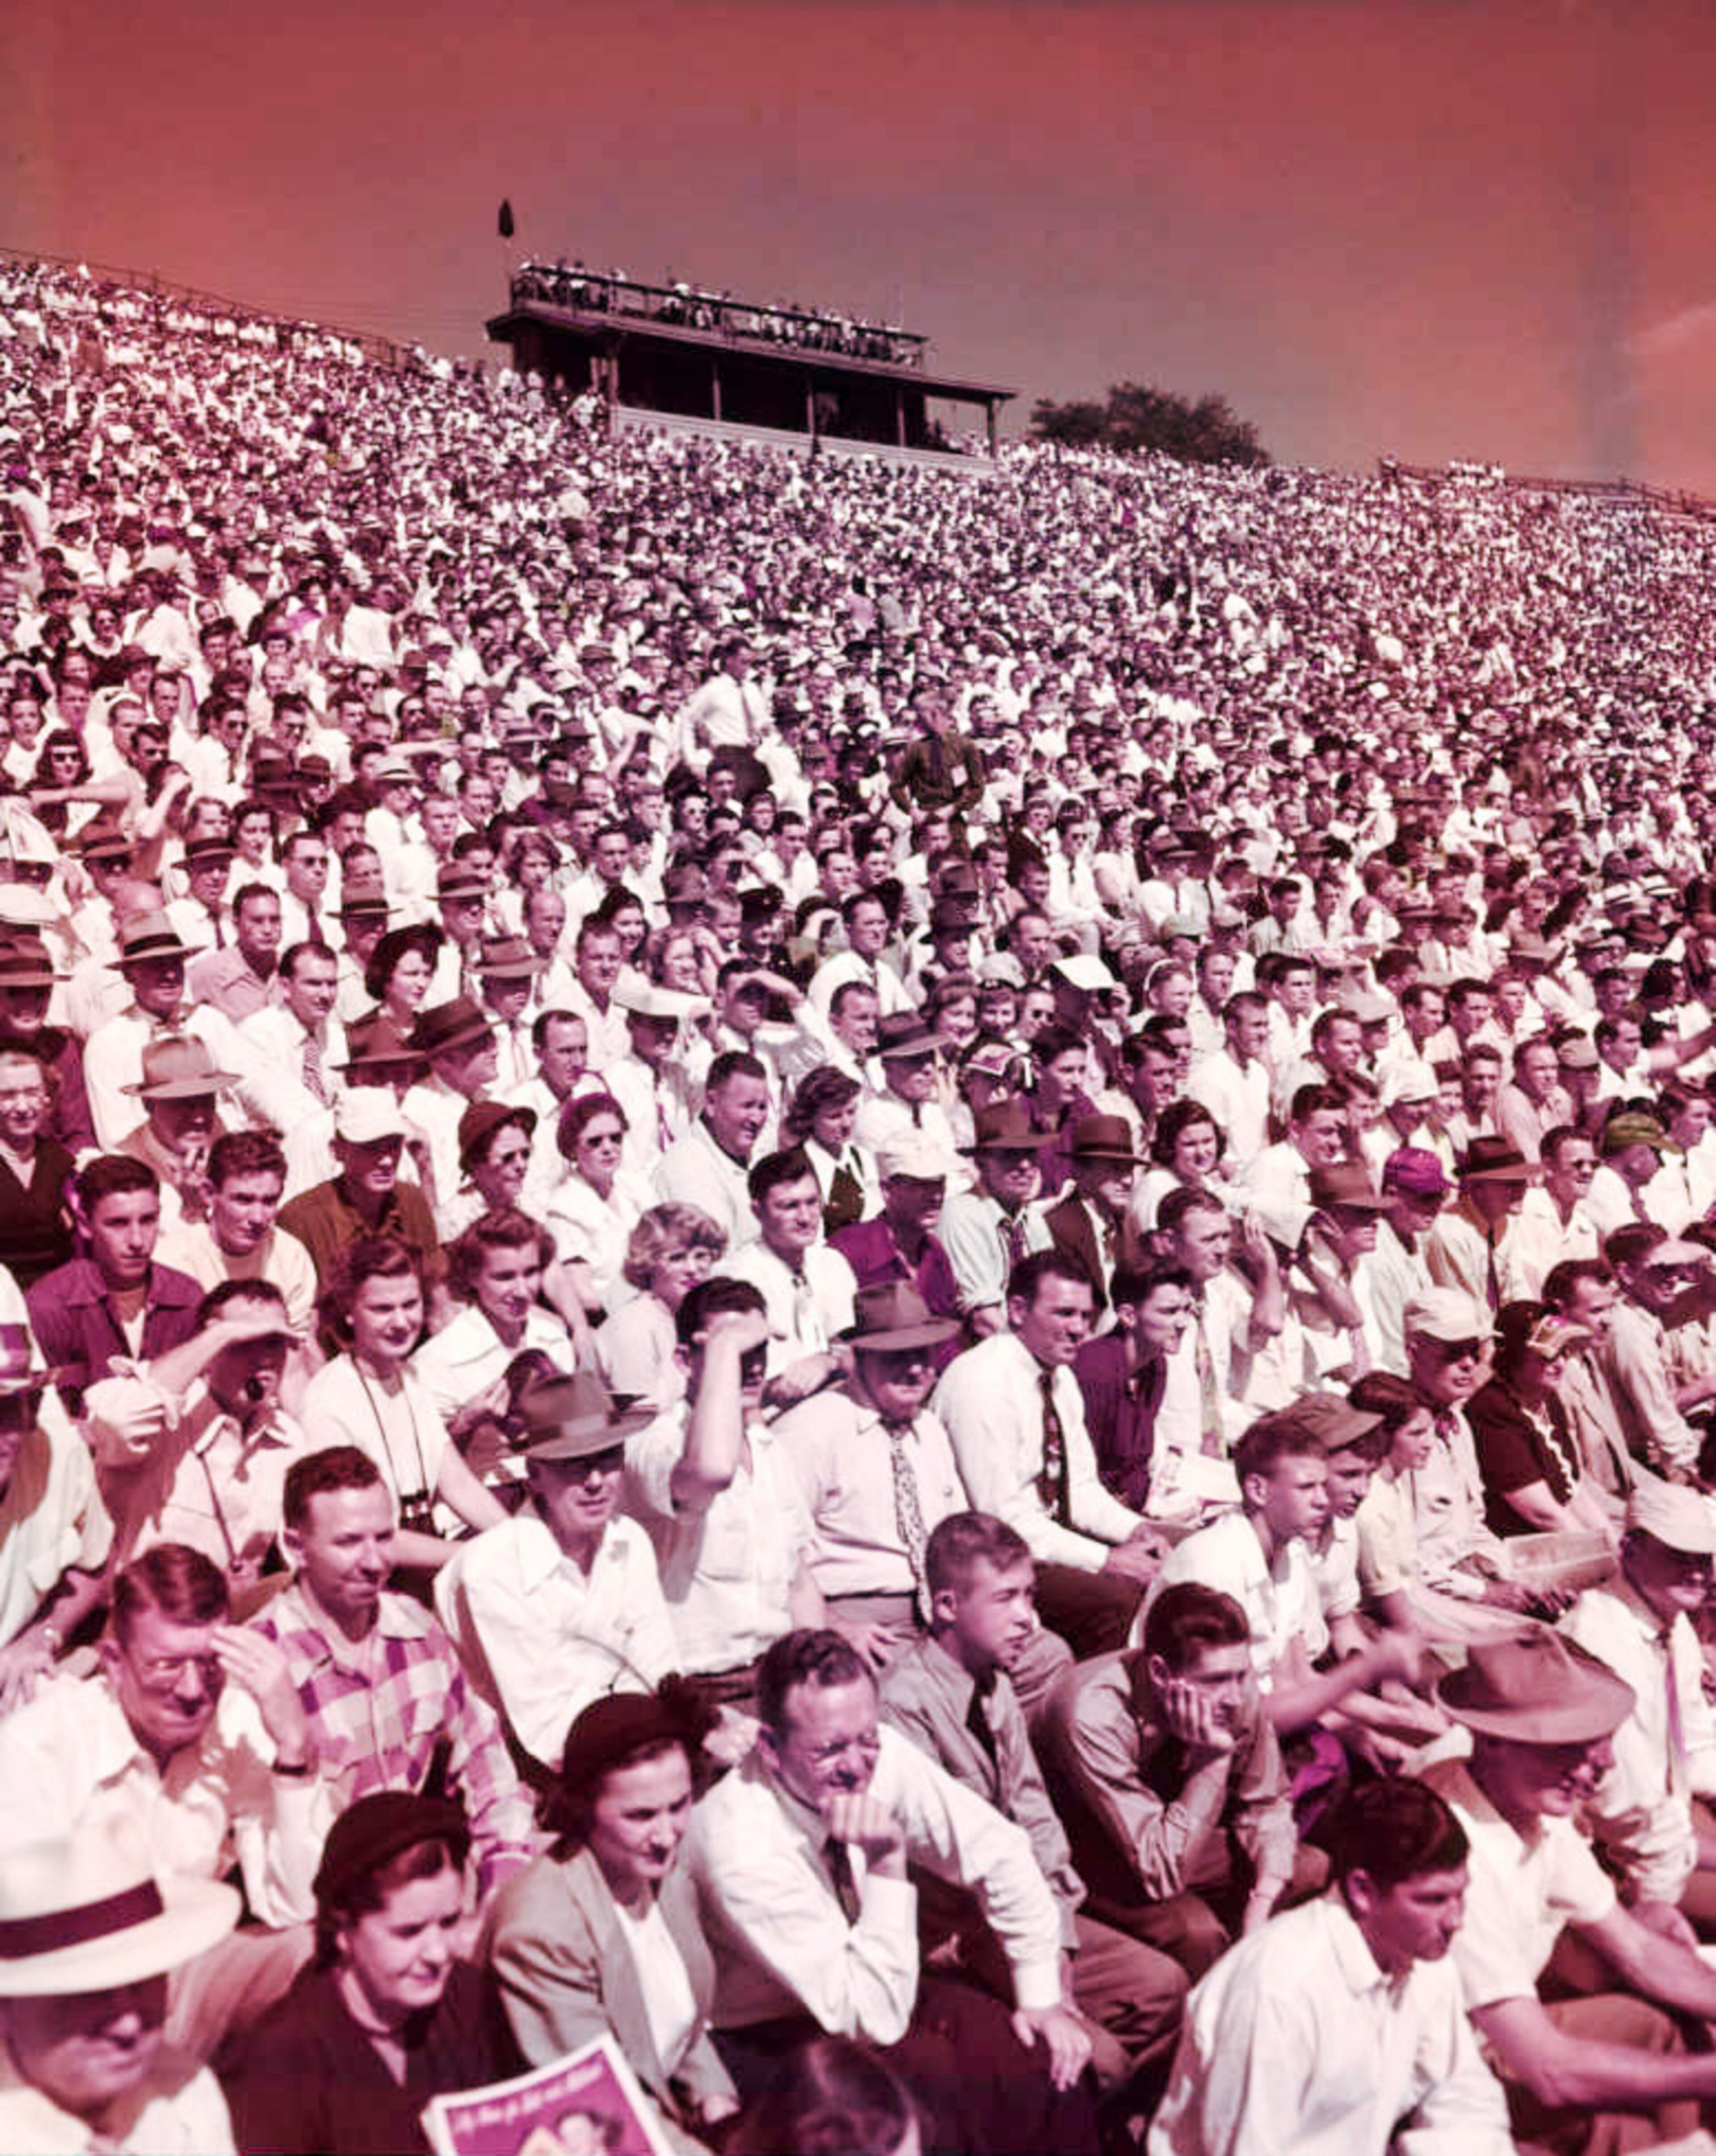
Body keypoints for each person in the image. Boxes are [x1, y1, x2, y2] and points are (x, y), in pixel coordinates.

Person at [689, 1627, 1102, 2156]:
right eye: (830, 1748)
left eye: (868, 1738)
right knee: (935, 2089)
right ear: (769, 1747)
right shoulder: (738, 1841)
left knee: (1043, 2059)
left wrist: (1041, 1997)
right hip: (769, 2026)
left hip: (876, 1979)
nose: (858, 1764)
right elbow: (871, 2017)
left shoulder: (874, 1757)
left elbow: (1000, 1850)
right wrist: (887, 1859)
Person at [879, 1514, 1193, 2104]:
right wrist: (1046, 1969)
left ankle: (1088, 2122)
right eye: (1005, 1598)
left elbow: (1036, 1817)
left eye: (1029, 1594)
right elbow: (961, 1866)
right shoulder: (901, 1708)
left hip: (1022, 1915)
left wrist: (1063, 1939)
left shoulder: (993, 1684)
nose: (1029, 1615)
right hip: (951, 1934)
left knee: (1165, 1988)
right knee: (1100, 2059)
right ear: (946, 1605)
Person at [0, 1544, 337, 2059]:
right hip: (69, 2004)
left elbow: (298, 1905)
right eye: (165, 1664)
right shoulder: (41, 1746)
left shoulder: (235, 1721)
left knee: (319, 1954)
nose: (191, 1689)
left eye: (209, 1664)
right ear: (113, 1662)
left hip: (186, 1975)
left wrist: (294, 1746)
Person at [1419, 1627, 1716, 2152]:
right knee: (1655, 2081)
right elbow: (1548, 2068)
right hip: (1445, 2080)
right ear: (1492, 1740)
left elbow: (1639, 1949)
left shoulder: (1526, 1803)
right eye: (1568, 1748)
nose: (1598, 1770)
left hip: (1505, 2032)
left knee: (1664, 2020)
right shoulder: (1448, 1848)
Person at [1146, 1778, 1512, 2156]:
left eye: (1460, 1895)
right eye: (1433, 1899)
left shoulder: (1424, 1958)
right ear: (1362, 1891)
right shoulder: (1276, 1989)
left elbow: (1461, 2096)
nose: (1456, 1920)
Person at [254, 1446, 536, 1898]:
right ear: (295, 1547)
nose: (374, 1561)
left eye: (384, 1537)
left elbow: (489, 1768)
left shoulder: (416, 1628)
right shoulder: (262, 1661)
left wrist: (500, 1874)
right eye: (348, 1542)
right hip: (322, 1903)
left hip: (422, 1886)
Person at [487, 1693, 741, 2156]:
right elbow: (598, 2106)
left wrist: (716, 2097)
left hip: (672, 2118)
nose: (666, 1834)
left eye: (679, 1805)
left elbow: (678, 2021)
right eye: (640, 1815)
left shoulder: (662, 1870)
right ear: (583, 1808)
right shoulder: (542, 1932)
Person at [222, 1793, 520, 2156]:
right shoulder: (281, 2058)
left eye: (450, 1922)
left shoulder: (469, 1999)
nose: (439, 1953)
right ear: (344, 1929)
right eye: (409, 1932)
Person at [1039, 1582, 1307, 1977]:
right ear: (1161, 1673)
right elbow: (1161, 1872)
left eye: (1241, 1674)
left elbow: (1267, 1803)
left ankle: (1259, 1974)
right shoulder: (1092, 1714)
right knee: (1196, 1932)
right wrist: (1213, 1761)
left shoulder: (1233, 1691)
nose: (1234, 1697)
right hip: (1094, 1856)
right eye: (1215, 1680)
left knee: (1306, 1869)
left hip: (1174, 1834)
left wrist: (1261, 1901)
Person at [433, 1374, 679, 1773]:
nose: (596, 1482)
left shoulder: (630, 1540)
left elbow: (658, 1666)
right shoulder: (492, 1569)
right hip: (523, 1771)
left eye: (607, 1459)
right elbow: (548, 1730)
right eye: (573, 1466)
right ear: (534, 1474)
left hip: (635, 1750)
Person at [934, 1251, 1166, 1659]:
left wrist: (1138, 1532)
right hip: (990, 1558)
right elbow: (1002, 1518)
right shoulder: (982, 1383)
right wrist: (1107, 1559)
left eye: (1085, 1316)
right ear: (1018, 1310)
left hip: (1044, 1539)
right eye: (1064, 1314)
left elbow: (1080, 1489)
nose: (1079, 1329)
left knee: (1181, 1554)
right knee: (1116, 1601)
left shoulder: (1057, 1376)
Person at [625, 1279, 822, 1705]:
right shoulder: (656, 1445)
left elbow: (798, 1581)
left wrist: (817, 1672)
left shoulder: (770, 1450)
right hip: (698, 1691)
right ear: (684, 1360)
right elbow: (711, 1470)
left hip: (779, 1676)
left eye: (758, 1352)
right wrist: (723, 1350)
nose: (752, 1368)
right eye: (737, 1354)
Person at [0, 1821, 241, 2152]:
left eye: (145, 1984)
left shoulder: (186, 2093)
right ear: (5, 2009)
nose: (128, 2026)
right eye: (90, 1994)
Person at [1560, 1478, 1716, 1934]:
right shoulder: (1599, 1641)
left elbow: (1698, 1744)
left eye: (1705, 1558)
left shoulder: (1671, 1621)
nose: (1697, 1573)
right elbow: (1628, 1813)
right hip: (1620, 1857)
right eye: (1678, 1555)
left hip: (1670, 1820)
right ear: (1629, 1549)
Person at [300, 1236, 506, 1571]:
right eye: (382, 1309)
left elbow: (457, 1483)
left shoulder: (411, 1378)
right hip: (366, 1574)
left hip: (425, 1559)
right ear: (349, 1311)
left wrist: (517, 1540)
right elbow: (364, 1536)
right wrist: (478, 1556)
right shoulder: (329, 1401)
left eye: (410, 1305)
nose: (401, 1322)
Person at [413, 1208, 578, 1497]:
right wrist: (465, 1423)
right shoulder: (436, 1362)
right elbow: (420, 1469)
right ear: (473, 1278)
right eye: (504, 1277)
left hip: (555, 1492)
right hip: (481, 1500)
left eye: (531, 1273)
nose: (522, 1290)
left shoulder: (554, 1340)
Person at [27, 1155, 204, 1418]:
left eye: (148, 1221)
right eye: (118, 1224)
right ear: (86, 1226)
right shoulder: (48, 1305)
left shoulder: (187, 1296)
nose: (137, 1240)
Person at [276, 1088, 439, 1289]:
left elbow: (434, 1284)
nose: (387, 1161)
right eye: (371, 1148)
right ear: (337, 1151)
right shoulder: (302, 1219)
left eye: (394, 1146)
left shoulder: (412, 1201)